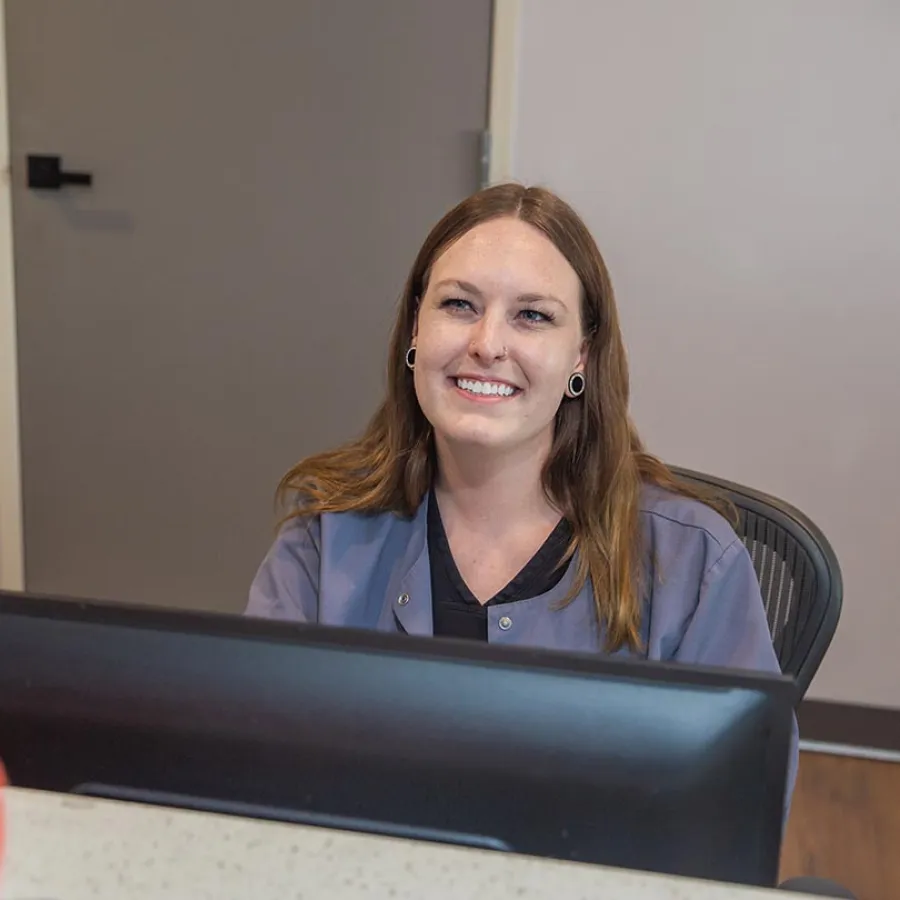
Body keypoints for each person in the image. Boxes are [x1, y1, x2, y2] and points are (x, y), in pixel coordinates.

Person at [246, 182, 799, 813]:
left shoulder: (693, 561)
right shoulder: (325, 530)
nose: (487, 344)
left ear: (581, 357)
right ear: (415, 333)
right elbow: (256, 760)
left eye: (532, 315)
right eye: (458, 304)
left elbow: (734, 811)